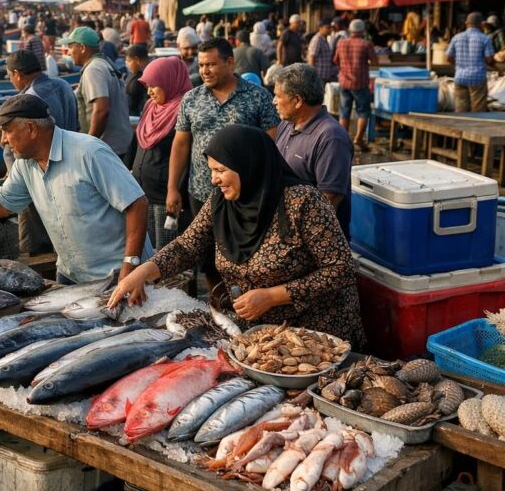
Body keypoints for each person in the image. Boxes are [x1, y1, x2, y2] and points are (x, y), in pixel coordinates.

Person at [109, 124, 366, 349]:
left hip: (314, 336)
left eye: (220, 170)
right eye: (211, 170)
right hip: (258, 336)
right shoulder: (221, 202)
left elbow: (341, 269)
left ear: (247, 164)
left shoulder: (303, 202)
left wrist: (272, 296)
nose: (214, 180)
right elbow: (188, 246)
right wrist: (142, 272)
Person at [0, 94, 151, 284]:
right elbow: (2, 205)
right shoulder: (24, 164)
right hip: (72, 276)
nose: (4, 140)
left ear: (31, 128)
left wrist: (130, 267)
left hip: (117, 274)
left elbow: (137, 204)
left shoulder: (89, 152)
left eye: (8, 131)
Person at [165, 37, 280, 290]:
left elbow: (272, 144)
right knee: (208, 258)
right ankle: (219, 305)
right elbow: (181, 144)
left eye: (211, 64)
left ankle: (248, 305)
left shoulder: (258, 97)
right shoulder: (191, 99)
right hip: (202, 192)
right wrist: (173, 187)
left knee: (247, 256)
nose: (204, 71)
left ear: (229, 62)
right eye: (201, 64)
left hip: (245, 198)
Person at [2, 50, 79, 254]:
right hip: (69, 164)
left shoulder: (29, 99)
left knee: (34, 236)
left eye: (10, 76)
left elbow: (23, 143)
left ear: (18, 74)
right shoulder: (63, 85)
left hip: (39, 168)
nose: (11, 81)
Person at [272, 64, 353, 239]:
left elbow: (329, 200)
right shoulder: (287, 124)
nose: (274, 101)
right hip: (286, 230)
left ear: (298, 100)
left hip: (314, 240)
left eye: (278, 96)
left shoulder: (331, 137)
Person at [132, 57, 192, 250]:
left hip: (166, 196)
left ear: (170, 81)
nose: (149, 92)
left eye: (154, 86)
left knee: (166, 251)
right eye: (147, 86)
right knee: (148, 248)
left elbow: (186, 156)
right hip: (144, 191)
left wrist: (175, 190)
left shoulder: (184, 109)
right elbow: (137, 141)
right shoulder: (151, 106)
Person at [58, 27, 133, 159]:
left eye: (70, 47)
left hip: (106, 147)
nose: (69, 52)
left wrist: (89, 144)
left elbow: (101, 110)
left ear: (82, 48)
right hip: (118, 144)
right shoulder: (103, 63)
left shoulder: (93, 69)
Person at [332, 19, 377, 150]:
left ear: (350, 31)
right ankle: (358, 139)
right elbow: (375, 61)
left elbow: (335, 61)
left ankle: (343, 139)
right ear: (362, 31)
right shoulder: (366, 44)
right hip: (360, 83)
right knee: (363, 112)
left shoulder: (341, 43)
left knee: (344, 111)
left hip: (344, 81)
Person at [447, 11, 495, 113]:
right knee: (478, 111)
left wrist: (458, 65)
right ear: (481, 24)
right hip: (478, 77)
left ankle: (460, 128)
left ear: (466, 23)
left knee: (461, 109)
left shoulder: (456, 37)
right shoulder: (485, 39)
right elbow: (489, 59)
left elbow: (448, 57)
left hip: (460, 77)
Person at [124, 44, 150, 117]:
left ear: (136, 60)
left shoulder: (145, 78)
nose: (127, 64)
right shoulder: (134, 74)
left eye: (129, 61)